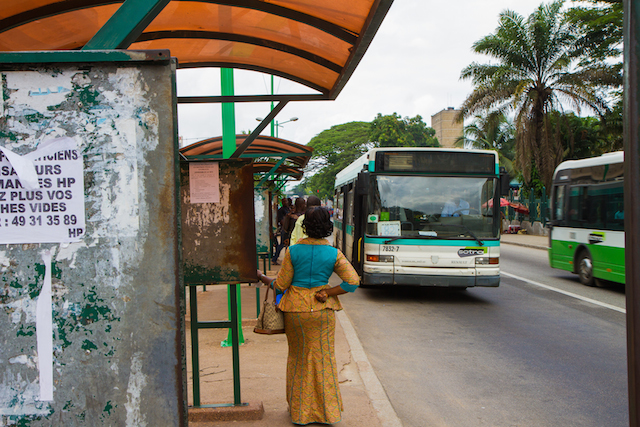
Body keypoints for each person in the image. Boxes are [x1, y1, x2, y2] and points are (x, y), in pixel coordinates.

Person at [256, 206, 359, 425]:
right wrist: (327, 292)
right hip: (323, 312)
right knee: (324, 359)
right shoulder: (333, 253)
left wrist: (265, 278)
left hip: (295, 312)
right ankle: (327, 413)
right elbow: (352, 282)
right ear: (327, 226)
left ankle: (300, 413)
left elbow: (281, 285)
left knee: (299, 359)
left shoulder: (293, 251)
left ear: (304, 226)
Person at [272, 198, 292, 265]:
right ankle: (275, 258)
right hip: (285, 229)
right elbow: (281, 220)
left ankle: (284, 259)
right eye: (284, 201)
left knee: (285, 245)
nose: (286, 202)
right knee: (282, 244)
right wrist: (286, 227)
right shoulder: (281, 210)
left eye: (286, 201)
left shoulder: (288, 209)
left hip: (287, 229)